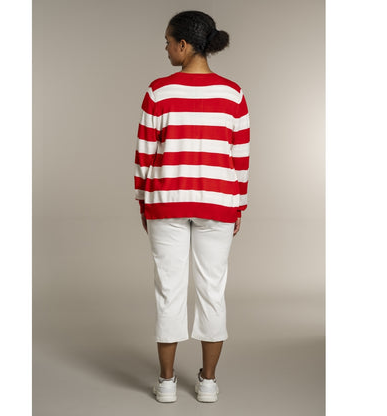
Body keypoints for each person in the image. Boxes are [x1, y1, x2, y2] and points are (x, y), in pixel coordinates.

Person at [133, 10, 250, 403]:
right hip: (218, 203)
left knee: (168, 291)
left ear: (184, 45)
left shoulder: (158, 92)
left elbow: (145, 154)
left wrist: (143, 201)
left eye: (168, 42)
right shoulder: (233, 94)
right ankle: (208, 383)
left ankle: (166, 383)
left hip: (166, 201)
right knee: (212, 291)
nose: (166, 48)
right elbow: (239, 157)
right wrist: (238, 205)